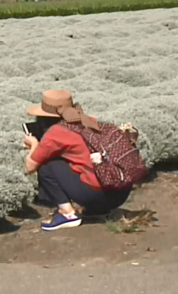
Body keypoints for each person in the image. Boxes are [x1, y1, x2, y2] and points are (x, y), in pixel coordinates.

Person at [22, 90, 131, 231]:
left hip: (97, 195)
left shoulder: (56, 133)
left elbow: (30, 167)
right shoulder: (89, 121)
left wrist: (34, 144)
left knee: (46, 165)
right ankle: (99, 211)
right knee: (79, 163)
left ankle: (67, 214)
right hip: (121, 193)